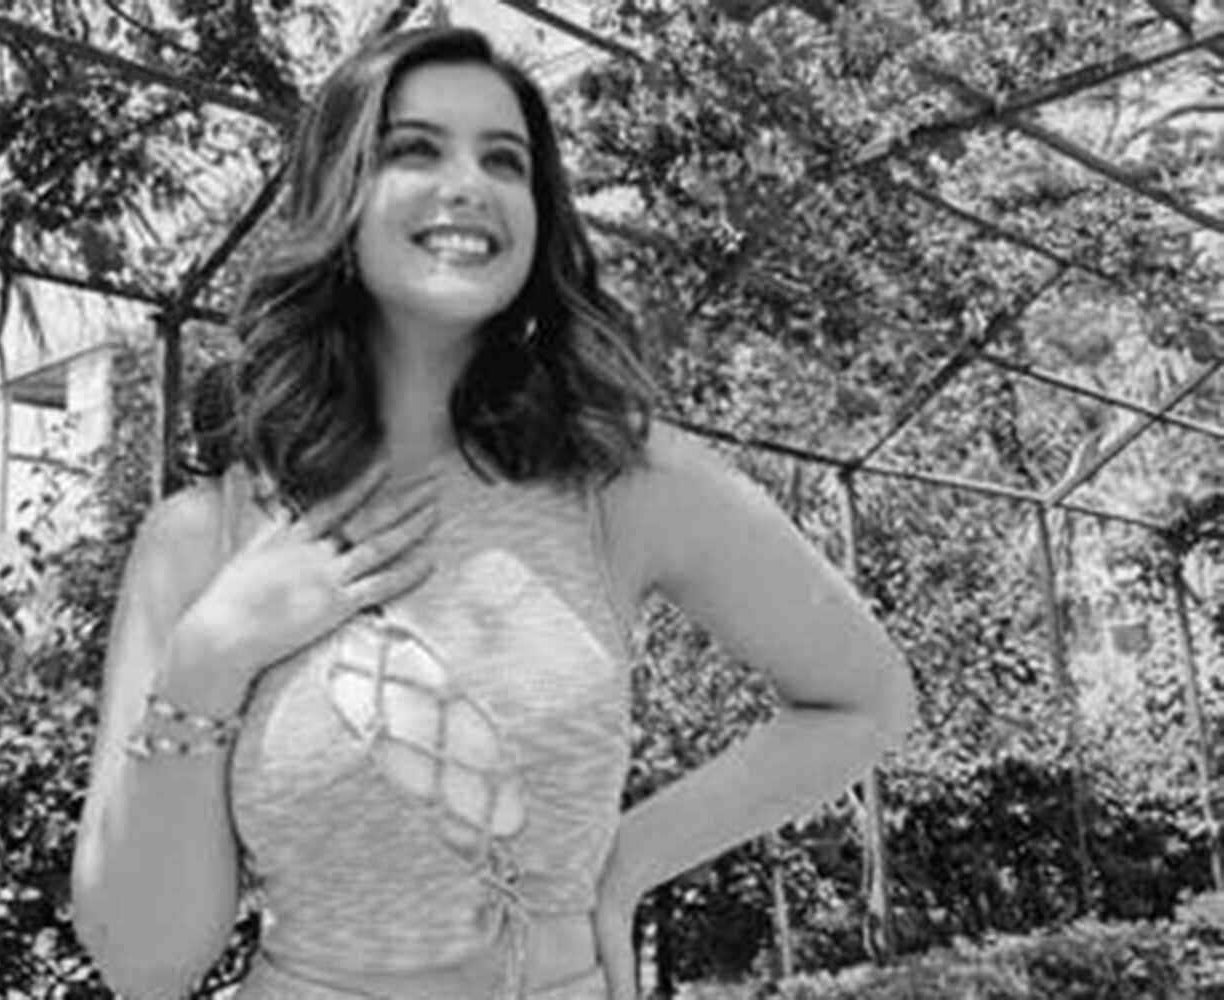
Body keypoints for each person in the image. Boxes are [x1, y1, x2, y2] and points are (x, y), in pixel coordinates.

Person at [71, 25, 915, 1000]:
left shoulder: (618, 482)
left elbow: (866, 699)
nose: (468, 184)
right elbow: (146, 965)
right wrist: (210, 654)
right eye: (415, 149)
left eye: (504, 160)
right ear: (342, 195)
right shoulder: (201, 541)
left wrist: (625, 864)